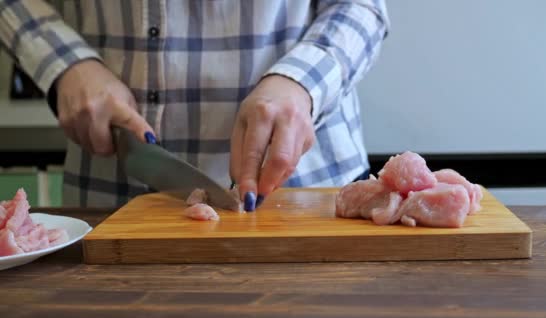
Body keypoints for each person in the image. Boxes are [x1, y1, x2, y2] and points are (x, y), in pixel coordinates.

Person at [0, 0, 389, 211]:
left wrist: (301, 82)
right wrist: (64, 61)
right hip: (110, 194)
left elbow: (363, 6)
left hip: (307, 194)